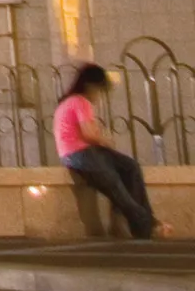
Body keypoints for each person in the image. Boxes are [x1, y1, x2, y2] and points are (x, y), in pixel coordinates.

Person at [53, 64, 167, 239]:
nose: (99, 95)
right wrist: (105, 140)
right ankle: (149, 225)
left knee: (130, 168)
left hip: (75, 154)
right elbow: (89, 134)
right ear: (91, 86)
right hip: (82, 154)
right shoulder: (81, 102)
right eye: (99, 89)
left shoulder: (67, 102)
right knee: (117, 187)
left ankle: (138, 226)